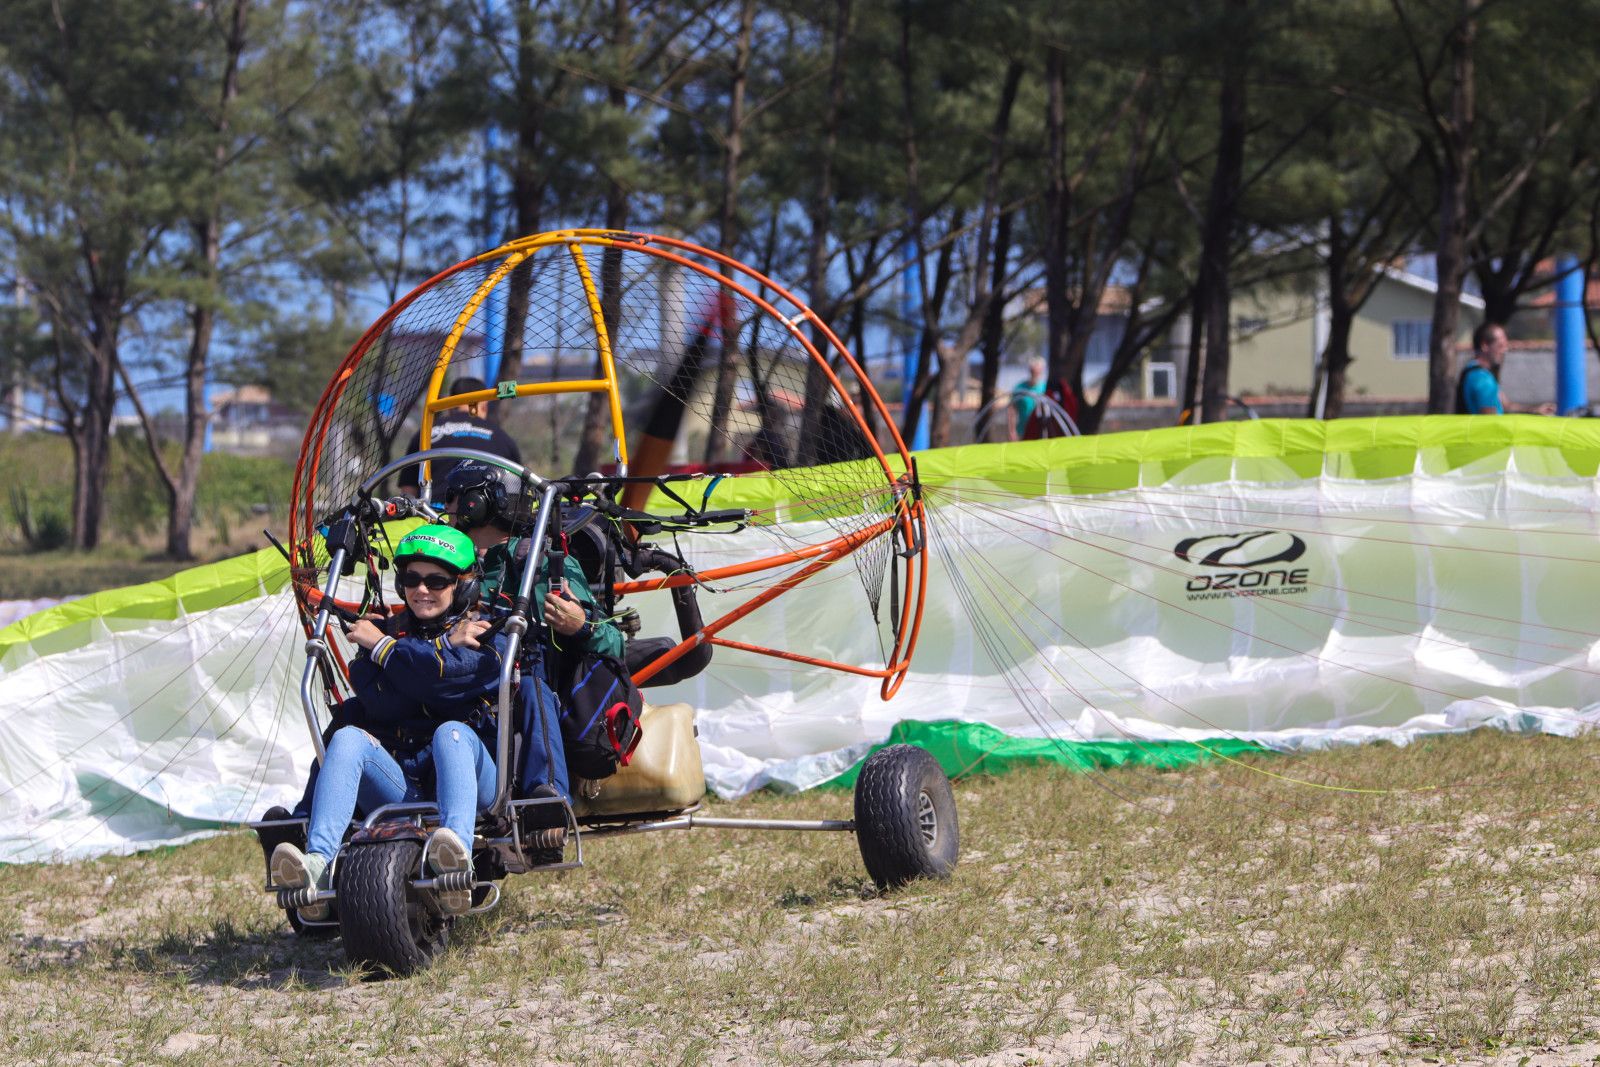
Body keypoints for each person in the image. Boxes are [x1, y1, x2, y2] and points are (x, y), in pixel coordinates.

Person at [269, 524, 506, 918]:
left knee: (451, 732)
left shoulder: (486, 632)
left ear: (463, 586)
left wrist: (385, 649)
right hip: (404, 785)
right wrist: (438, 651)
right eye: (412, 579)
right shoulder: (391, 632)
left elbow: (444, 688)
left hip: (470, 778)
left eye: (437, 581)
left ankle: (456, 860)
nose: (422, 590)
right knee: (346, 738)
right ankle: (318, 865)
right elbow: (382, 702)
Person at [440, 461, 624, 808]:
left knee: (527, 682)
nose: (444, 508)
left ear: (477, 502)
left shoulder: (541, 564)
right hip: (453, 683)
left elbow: (615, 642)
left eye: (452, 498)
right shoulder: (442, 562)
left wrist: (580, 624)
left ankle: (548, 795)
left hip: (520, 690)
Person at [397, 376, 522, 498]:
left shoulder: (425, 434)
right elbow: (516, 490)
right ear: (484, 406)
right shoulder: (501, 438)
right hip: (480, 514)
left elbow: (408, 493)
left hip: (432, 513)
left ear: (449, 403)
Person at [1456, 323, 1556, 415]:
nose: (1505, 350)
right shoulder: (1482, 379)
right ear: (1485, 345)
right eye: (1500, 346)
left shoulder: (1475, 371)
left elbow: (1506, 405)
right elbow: (1489, 421)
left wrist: (1535, 410)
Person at [1010, 358, 1048, 440]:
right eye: (1033, 371)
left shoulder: (1045, 389)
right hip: (1022, 432)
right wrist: (1012, 431)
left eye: (1038, 371)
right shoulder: (1019, 388)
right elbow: (1012, 410)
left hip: (1040, 432)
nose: (1035, 373)